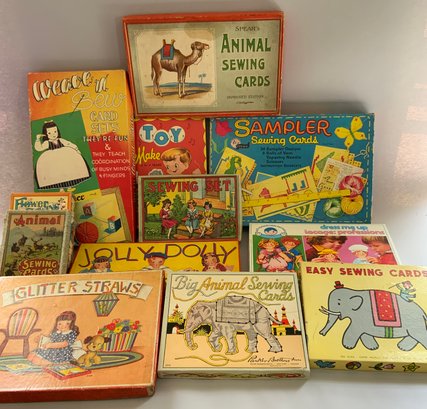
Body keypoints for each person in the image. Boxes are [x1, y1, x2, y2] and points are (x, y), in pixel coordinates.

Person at [34, 120, 91, 189]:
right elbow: (39, 148)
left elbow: (69, 144)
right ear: (46, 134)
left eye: (55, 131)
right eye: (49, 133)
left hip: (64, 158)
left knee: (67, 170)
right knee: (57, 173)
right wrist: (37, 139)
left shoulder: (61, 140)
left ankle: (69, 186)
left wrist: (76, 149)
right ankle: (61, 189)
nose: (53, 134)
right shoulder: (47, 143)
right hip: (53, 160)